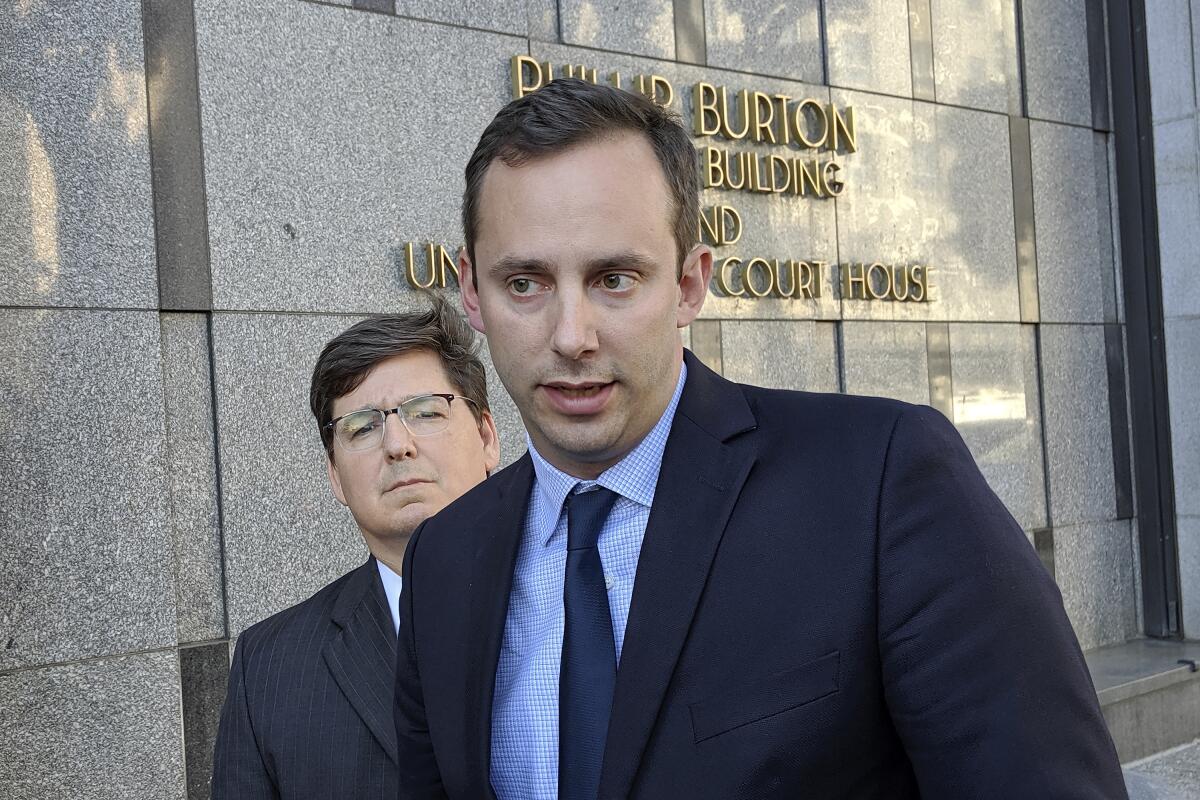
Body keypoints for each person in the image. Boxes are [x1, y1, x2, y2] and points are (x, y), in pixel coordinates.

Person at [393, 78, 1127, 799]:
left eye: (614, 278)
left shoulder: (880, 482)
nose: (571, 336)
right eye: (525, 283)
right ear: (472, 292)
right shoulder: (444, 561)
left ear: (688, 284)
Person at [212, 297, 500, 798]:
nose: (397, 443)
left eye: (426, 412)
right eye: (363, 427)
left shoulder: (586, 602)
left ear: (487, 437)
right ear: (336, 477)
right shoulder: (268, 669)